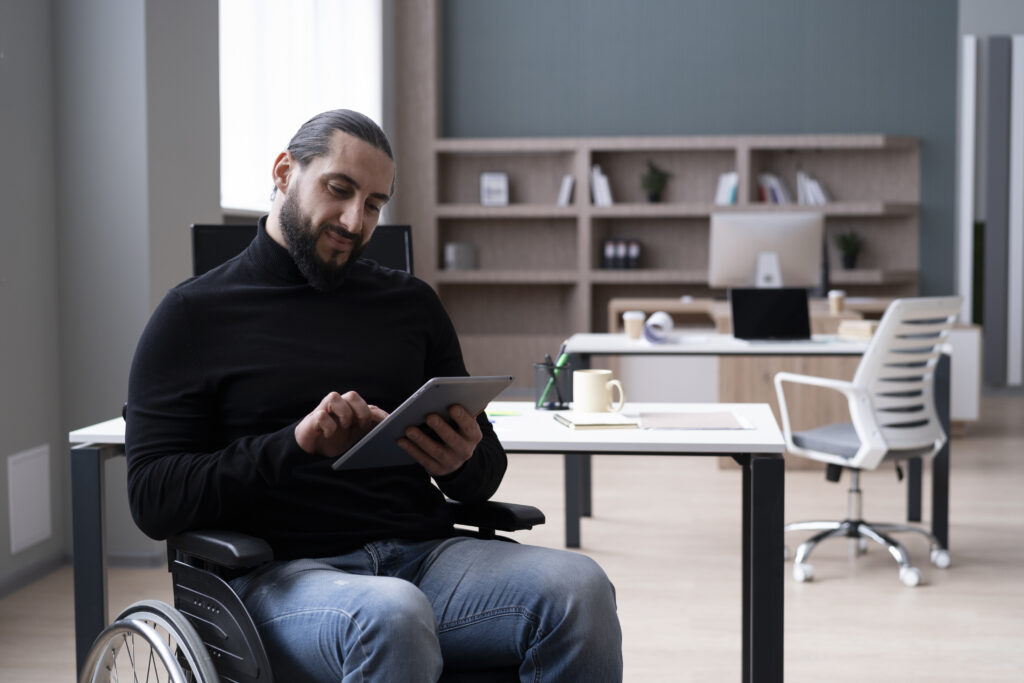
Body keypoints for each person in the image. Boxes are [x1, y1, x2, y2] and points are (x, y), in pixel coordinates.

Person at [125, 109, 622, 681]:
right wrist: (295, 445)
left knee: (579, 587)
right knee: (391, 612)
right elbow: (153, 498)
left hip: (424, 555)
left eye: (374, 205)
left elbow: (485, 475)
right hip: (277, 577)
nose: (354, 220)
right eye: (339, 190)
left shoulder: (411, 305)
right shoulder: (192, 315)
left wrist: (463, 463)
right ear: (285, 173)